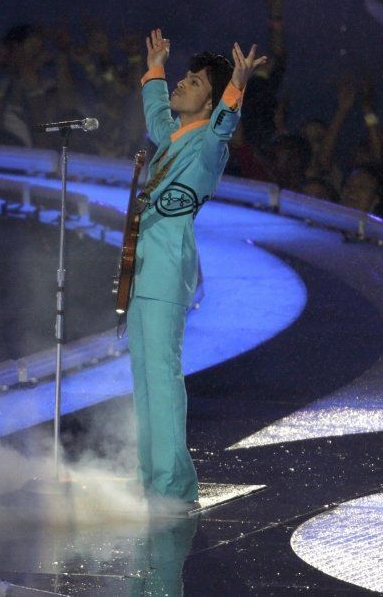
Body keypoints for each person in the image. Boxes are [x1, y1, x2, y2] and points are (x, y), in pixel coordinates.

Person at [129, 28, 266, 509]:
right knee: (145, 376)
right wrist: (156, 68)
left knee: (162, 376)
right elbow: (154, 115)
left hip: (168, 265)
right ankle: (151, 481)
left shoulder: (210, 144)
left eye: (194, 82)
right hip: (144, 265)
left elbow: (226, 124)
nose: (183, 84)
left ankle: (172, 486)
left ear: (211, 103)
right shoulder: (171, 136)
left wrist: (237, 86)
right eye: (184, 78)